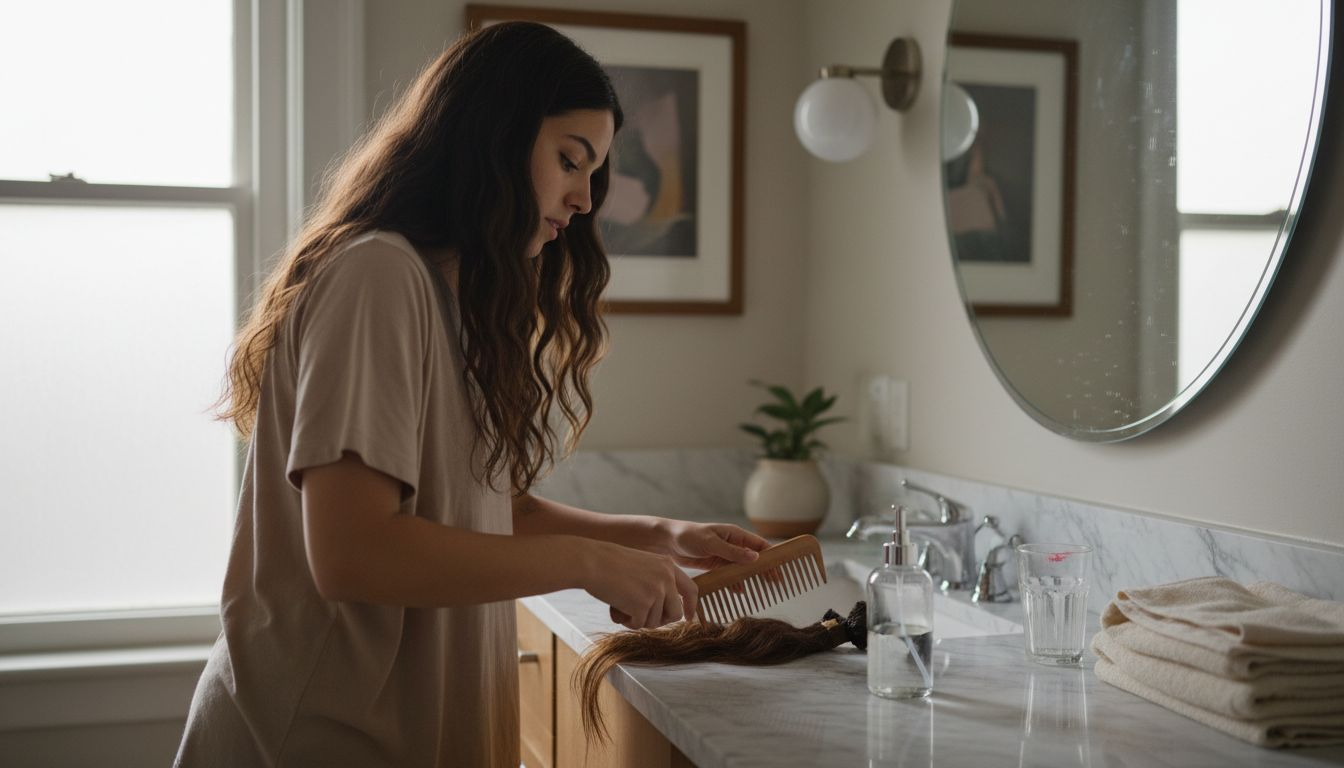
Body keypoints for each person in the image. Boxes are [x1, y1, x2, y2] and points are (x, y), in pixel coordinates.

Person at [175, 21, 768, 768]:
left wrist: (655, 534)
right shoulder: (377, 278)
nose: (585, 200)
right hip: (317, 738)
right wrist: (587, 562)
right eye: (569, 161)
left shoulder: (446, 297)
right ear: (494, 136)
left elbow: (486, 510)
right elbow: (353, 550)